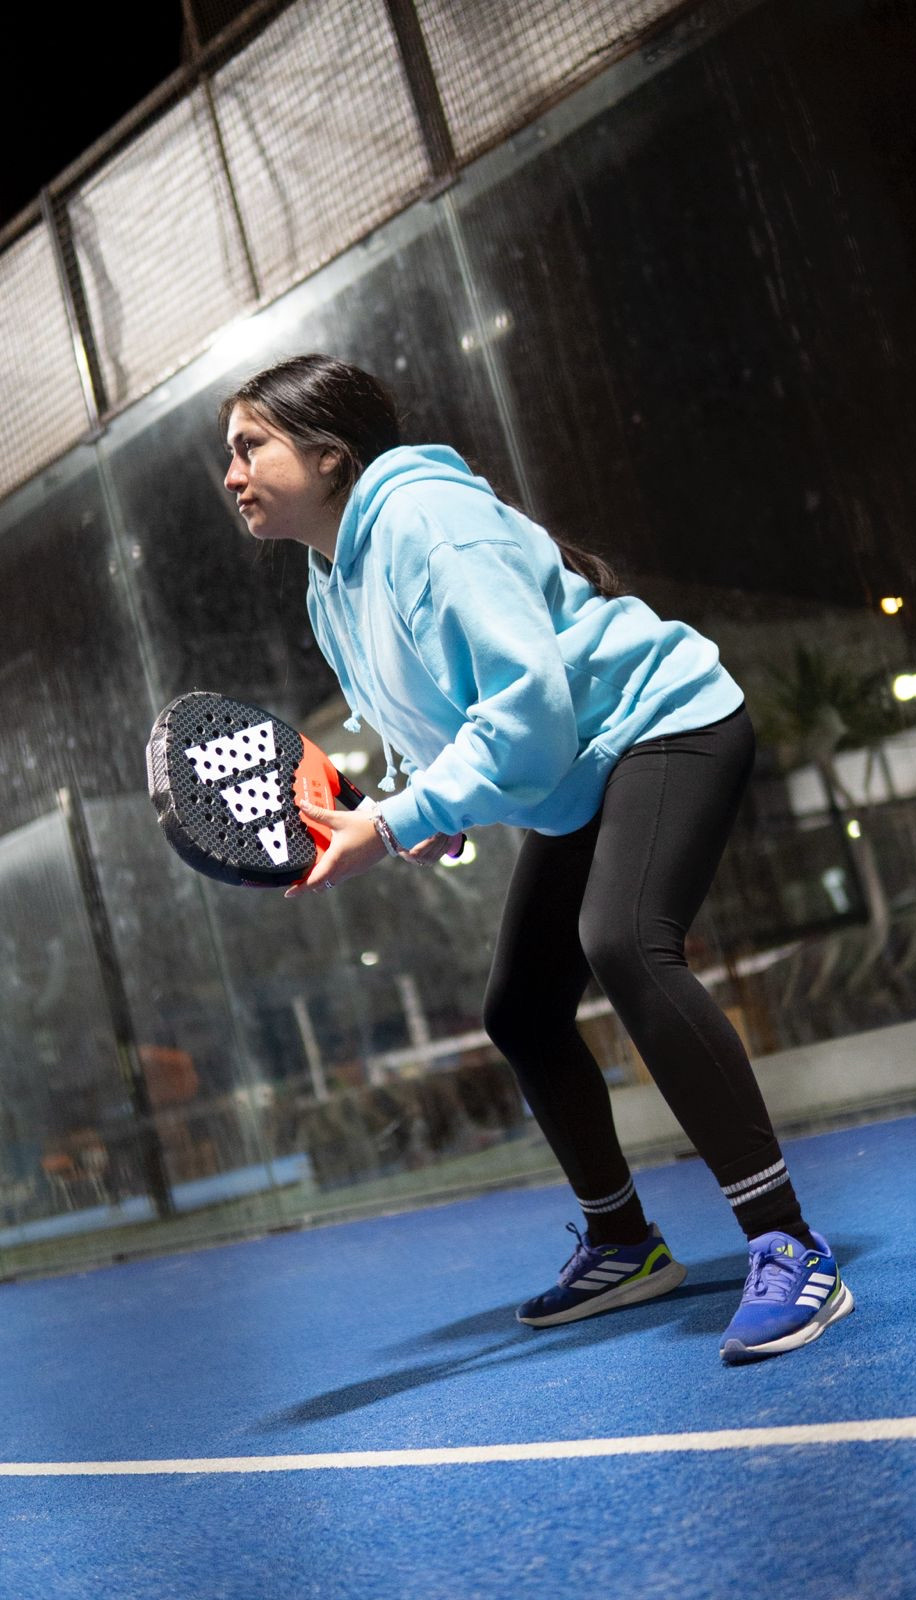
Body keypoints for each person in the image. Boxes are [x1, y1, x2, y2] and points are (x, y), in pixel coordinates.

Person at [220, 353, 854, 1363]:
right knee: (520, 1010)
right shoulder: (327, 584)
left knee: (625, 944)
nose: (233, 473)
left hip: (667, 724)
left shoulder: (426, 520)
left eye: (251, 446)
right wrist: (421, 810)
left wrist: (396, 823)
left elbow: (529, 714)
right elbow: (442, 727)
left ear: (329, 455)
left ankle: (788, 1243)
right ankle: (625, 1244)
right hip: (581, 774)